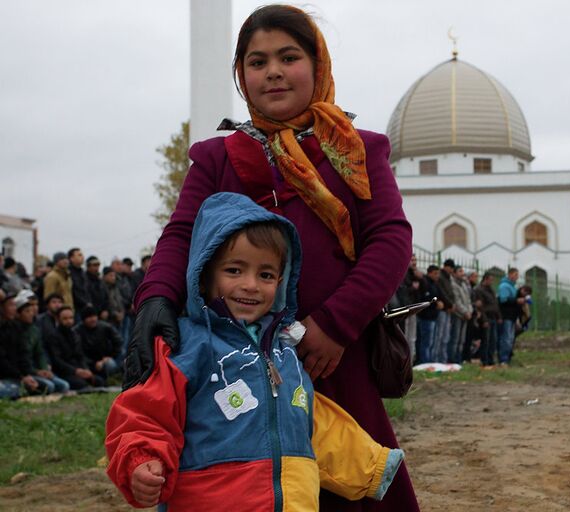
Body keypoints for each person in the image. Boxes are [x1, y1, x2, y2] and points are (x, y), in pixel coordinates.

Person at [122, 5, 417, 511]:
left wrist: (334, 325)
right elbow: (180, 235)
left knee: (356, 479)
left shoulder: (358, 151)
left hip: (331, 361)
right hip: (231, 363)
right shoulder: (218, 159)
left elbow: (390, 241)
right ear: (241, 75)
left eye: (289, 56)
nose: (273, 71)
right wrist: (154, 299)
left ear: (317, 66)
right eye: (256, 62)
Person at [106, 193, 403, 510]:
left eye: (265, 275)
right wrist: (141, 460)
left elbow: (310, 421)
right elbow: (146, 413)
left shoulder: (284, 351)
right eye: (234, 270)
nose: (251, 285)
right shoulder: (187, 347)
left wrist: (369, 465)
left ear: (282, 280)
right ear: (204, 276)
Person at [15, 291, 70, 394]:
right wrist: (36, 372)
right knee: (49, 387)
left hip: (38, 369)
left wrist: (45, 368)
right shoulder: (15, 330)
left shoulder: (34, 329)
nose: (34, 309)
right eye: (29, 308)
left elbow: (40, 352)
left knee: (63, 386)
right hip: (25, 372)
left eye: (36, 305)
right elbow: (21, 359)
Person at [46, 306, 104, 390]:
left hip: (78, 368)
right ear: (58, 319)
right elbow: (57, 360)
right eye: (65, 318)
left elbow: (80, 355)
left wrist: (85, 369)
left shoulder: (74, 334)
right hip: (64, 371)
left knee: (99, 381)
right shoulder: (53, 336)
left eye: (70, 318)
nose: (69, 321)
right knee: (81, 384)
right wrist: (75, 371)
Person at [74, 305, 122, 379]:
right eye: (89, 317)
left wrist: (110, 356)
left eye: (94, 316)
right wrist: (93, 363)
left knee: (111, 365)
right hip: (86, 362)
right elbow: (78, 352)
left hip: (103, 359)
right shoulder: (77, 331)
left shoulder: (105, 327)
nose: (93, 319)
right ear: (84, 320)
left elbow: (118, 341)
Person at [497, 267, 525, 363]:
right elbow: (503, 300)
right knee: (506, 338)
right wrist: (516, 300)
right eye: (515, 275)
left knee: (510, 338)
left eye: (517, 275)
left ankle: (507, 357)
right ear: (510, 274)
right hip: (506, 316)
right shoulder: (504, 286)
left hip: (512, 316)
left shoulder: (513, 287)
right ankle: (503, 359)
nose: (517, 277)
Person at [474, 272, 501, 367]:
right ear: (485, 279)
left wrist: (498, 316)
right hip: (486, 318)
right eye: (490, 280)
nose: (492, 282)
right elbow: (480, 307)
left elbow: (495, 304)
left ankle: (490, 359)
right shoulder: (479, 290)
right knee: (486, 340)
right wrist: (484, 320)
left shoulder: (491, 290)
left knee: (493, 340)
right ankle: (484, 360)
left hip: (493, 317)